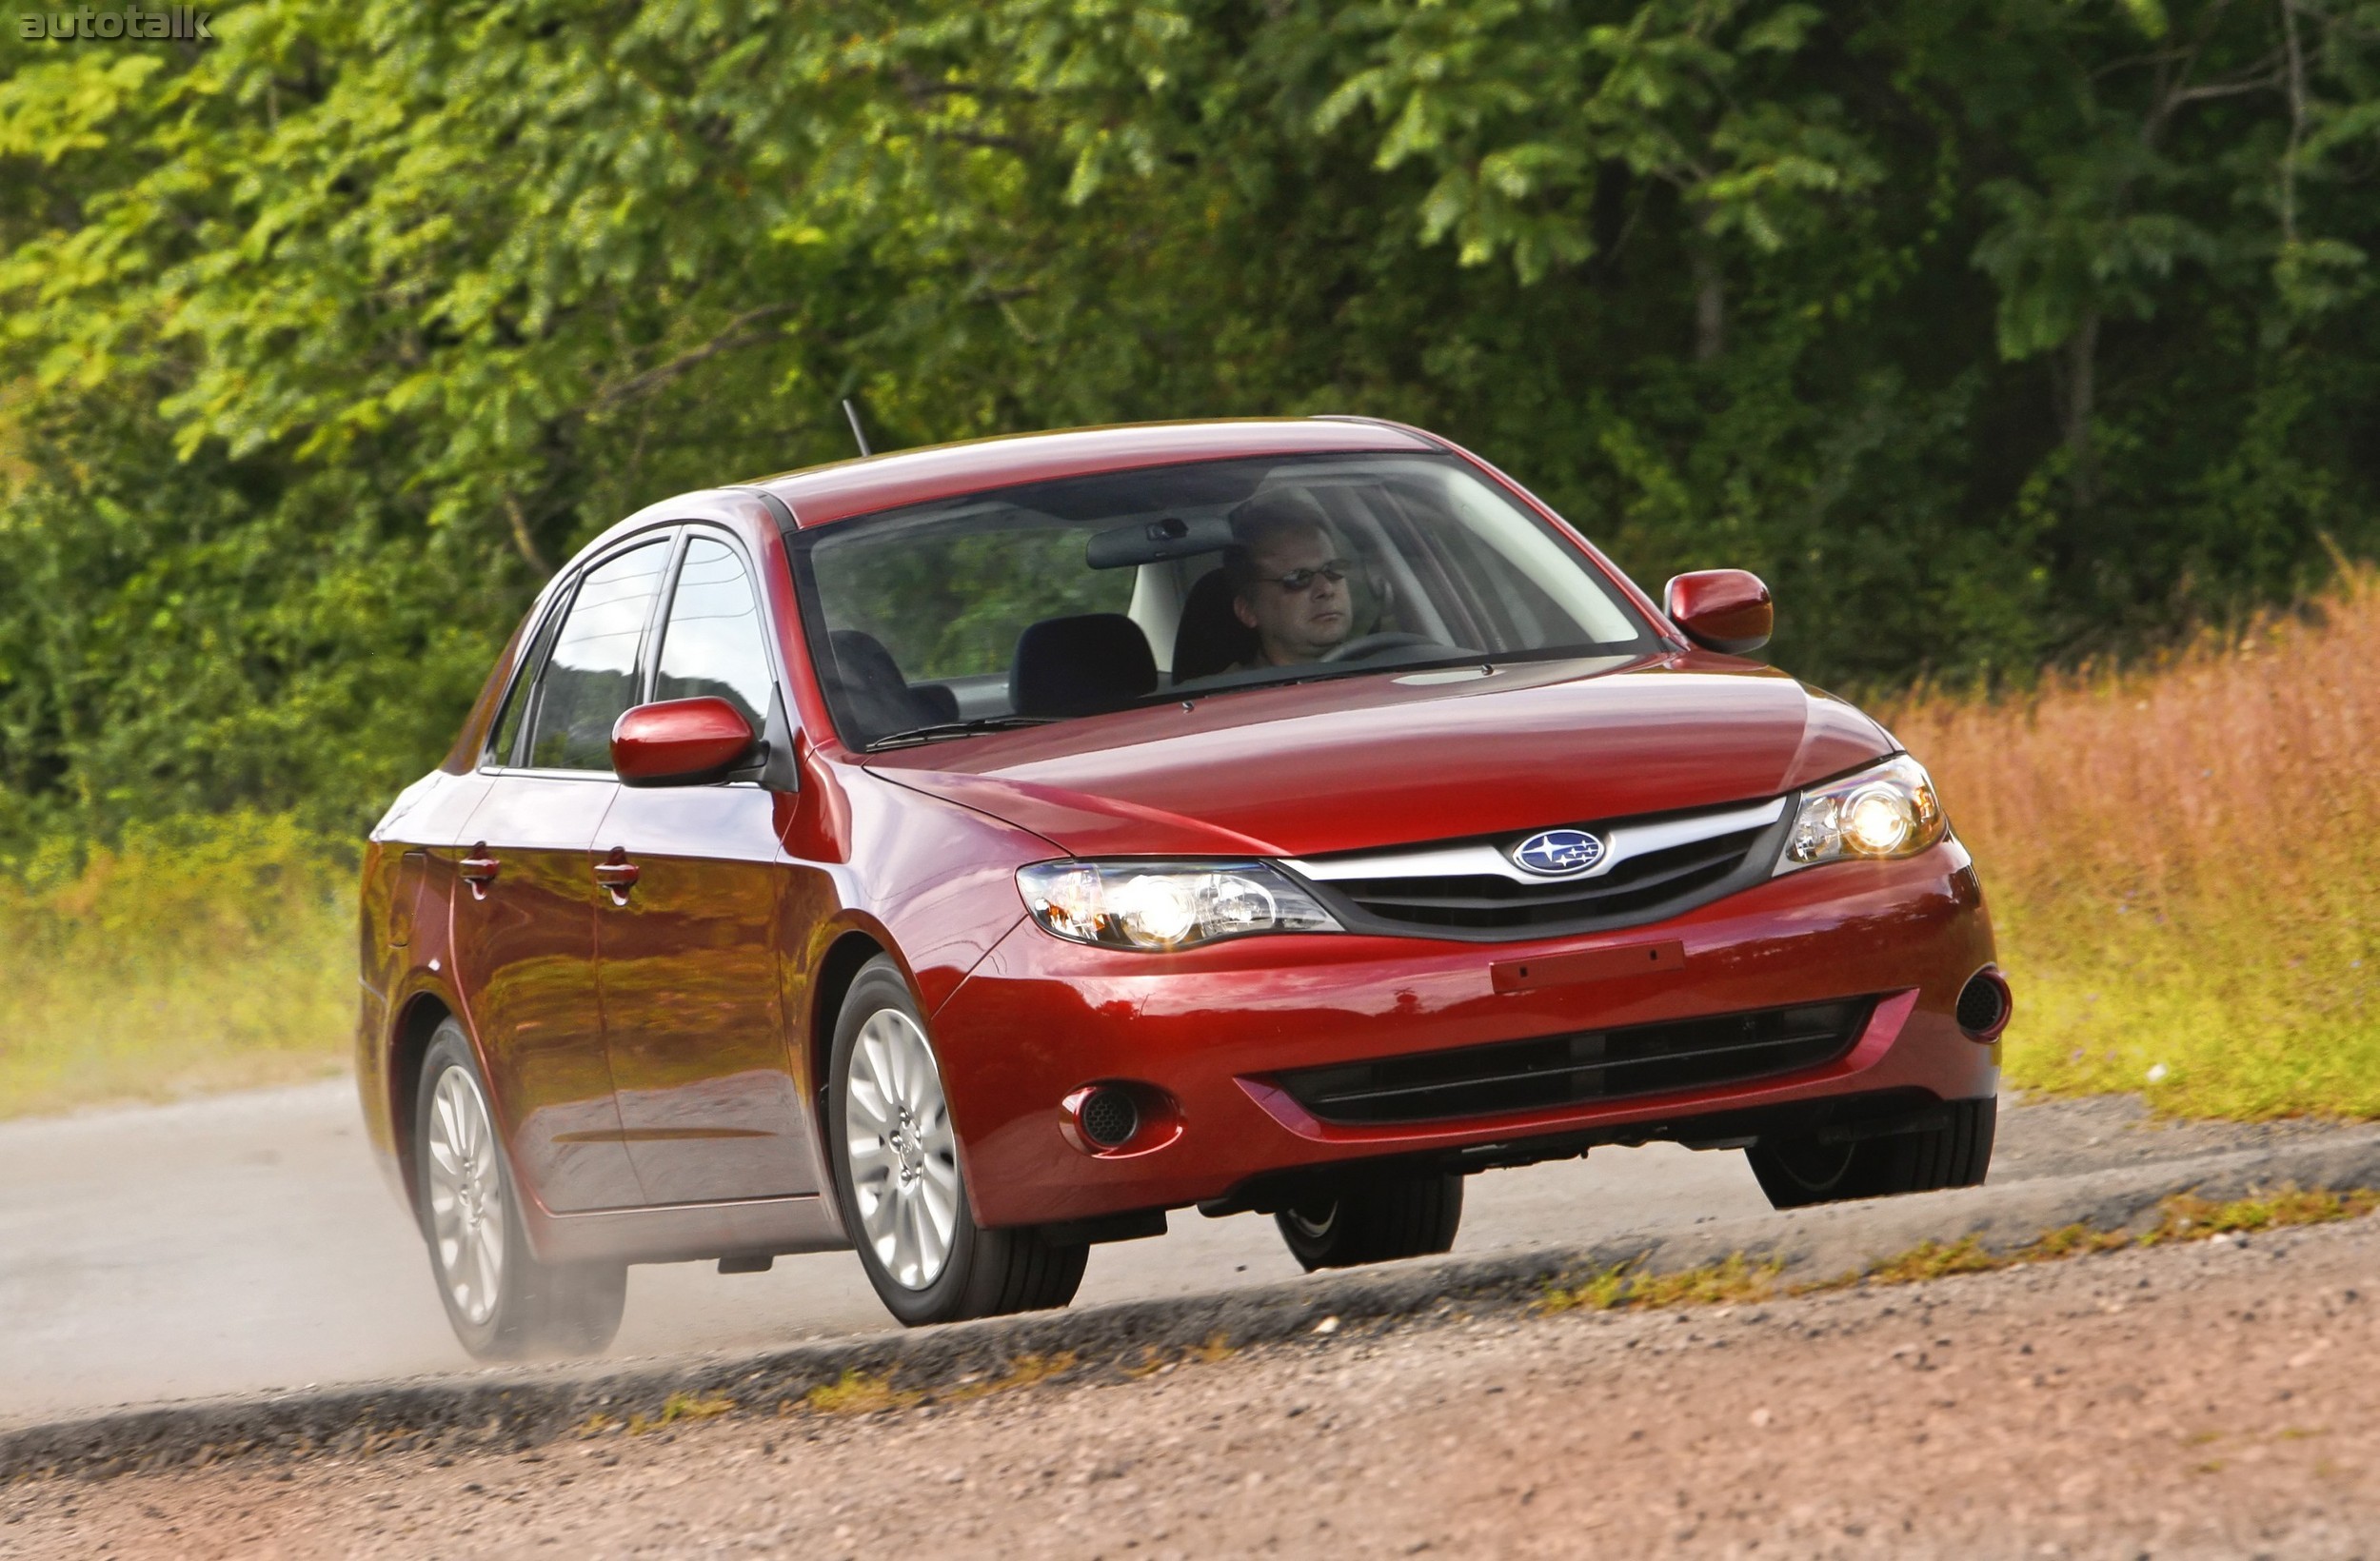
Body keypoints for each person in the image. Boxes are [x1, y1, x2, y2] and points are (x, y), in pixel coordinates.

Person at [1224, 491, 1357, 667]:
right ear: (1248, 610)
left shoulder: (1393, 670)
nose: (1326, 589)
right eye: (1298, 577)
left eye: (1332, 569)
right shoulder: (1228, 694)